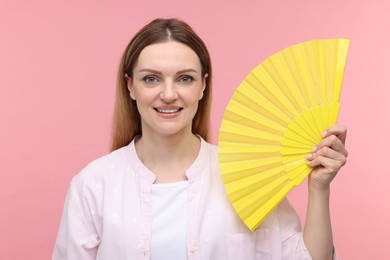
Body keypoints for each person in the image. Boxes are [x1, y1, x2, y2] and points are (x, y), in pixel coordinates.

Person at [53, 18, 348, 260]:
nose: (168, 94)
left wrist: (319, 189)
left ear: (203, 86)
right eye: (151, 78)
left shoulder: (246, 174)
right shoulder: (93, 184)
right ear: (130, 86)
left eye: (185, 78)